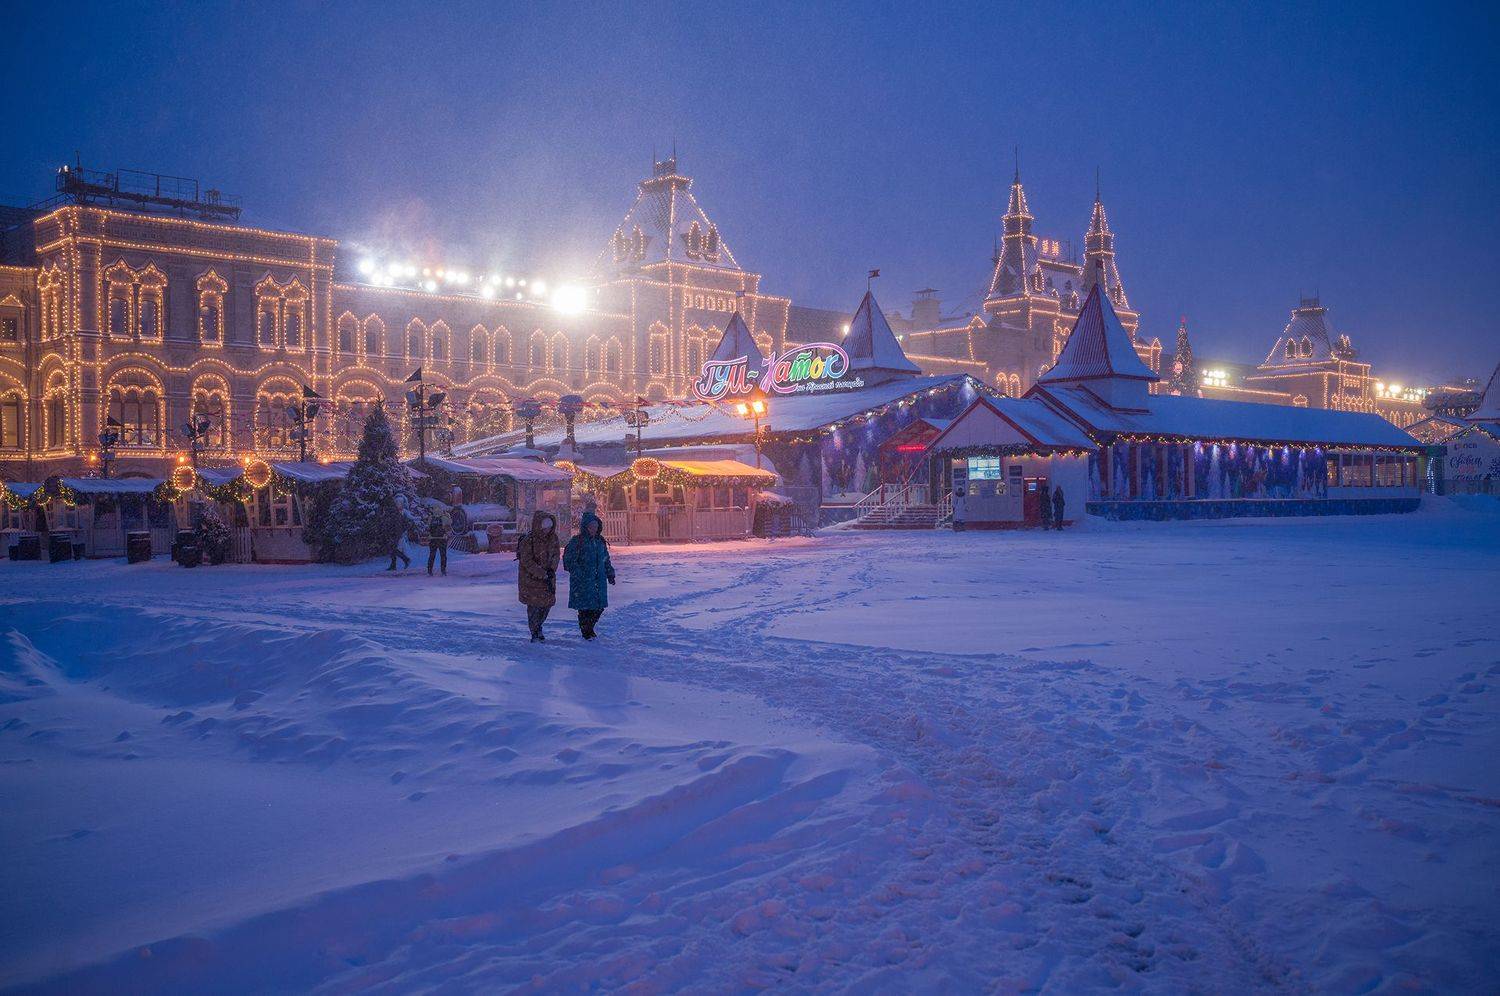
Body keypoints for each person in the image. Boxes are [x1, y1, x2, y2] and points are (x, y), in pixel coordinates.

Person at [562, 511, 615, 640]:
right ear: (585, 527)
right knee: (585, 608)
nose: (594, 530)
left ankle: (588, 629)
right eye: (591, 527)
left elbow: (606, 559)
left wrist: (610, 573)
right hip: (583, 581)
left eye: (596, 527)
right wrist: (579, 573)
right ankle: (586, 631)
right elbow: (569, 560)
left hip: (598, 580)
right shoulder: (577, 541)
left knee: (598, 607)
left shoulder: (600, 542)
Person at [516, 510, 560, 642]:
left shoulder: (553, 538)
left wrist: (551, 569)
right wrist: (541, 573)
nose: (547, 530)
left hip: (547, 579)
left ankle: (538, 626)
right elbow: (526, 560)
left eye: (549, 528)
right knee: (534, 607)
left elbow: (556, 555)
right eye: (545, 528)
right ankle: (535, 631)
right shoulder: (529, 540)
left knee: (546, 605)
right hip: (531, 580)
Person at [426, 505, 452, 576]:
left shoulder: (431, 518)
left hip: (433, 539)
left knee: (432, 555)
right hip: (442, 539)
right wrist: (448, 515)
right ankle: (443, 570)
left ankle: (429, 570)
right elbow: (450, 523)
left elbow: (428, 527)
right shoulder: (444, 518)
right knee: (443, 555)